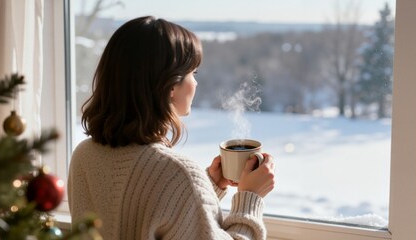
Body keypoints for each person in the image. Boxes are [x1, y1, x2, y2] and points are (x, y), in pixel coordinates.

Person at [68, 16, 276, 240]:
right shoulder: (178, 174)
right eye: (192, 73)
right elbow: (162, 190)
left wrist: (208, 188)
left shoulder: (84, 155)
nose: (195, 83)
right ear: (170, 87)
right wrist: (250, 198)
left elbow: (147, 211)